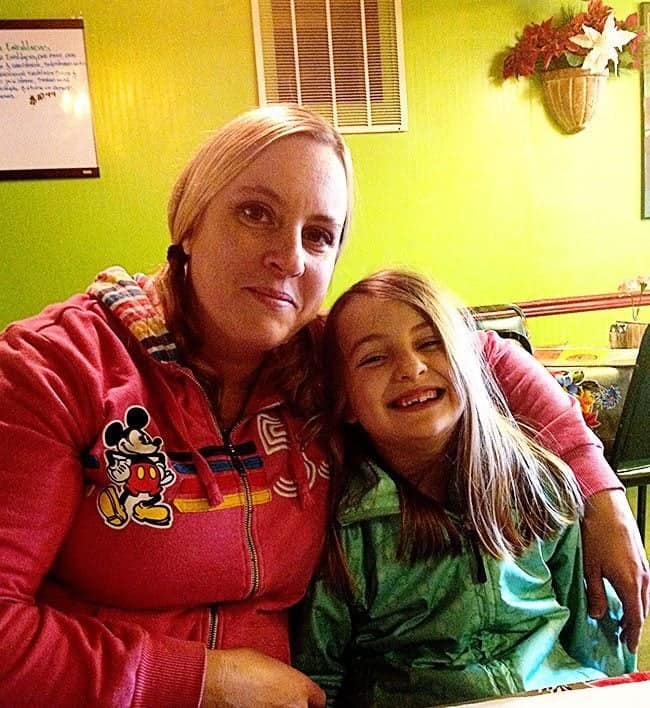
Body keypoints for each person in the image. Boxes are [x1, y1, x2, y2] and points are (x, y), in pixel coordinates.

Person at [0, 104, 645, 707]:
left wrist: (600, 493)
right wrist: (201, 679)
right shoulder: (55, 369)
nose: (288, 256)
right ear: (189, 222)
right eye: (255, 212)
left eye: (320, 235)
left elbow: (483, 358)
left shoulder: (318, 350)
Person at [292, 269, 637, 707]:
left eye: (430, 342)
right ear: (346, 404)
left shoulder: (541, 485)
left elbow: (597, 639)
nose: (412, 367)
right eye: (374, 358)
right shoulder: (345, 527)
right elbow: (319, 677)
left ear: (470, 362)